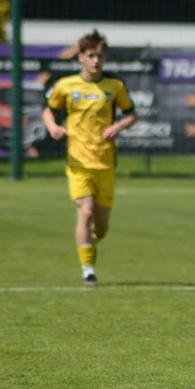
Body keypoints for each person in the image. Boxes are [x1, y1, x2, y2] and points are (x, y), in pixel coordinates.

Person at [42, 30, 138, 287]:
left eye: (100, 55)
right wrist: (52, 127)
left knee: (102, 227)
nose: (96, 60)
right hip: (78, 164)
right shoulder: (65, 86)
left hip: (105, 163)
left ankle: (88, 244)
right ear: (81, 58)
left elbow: (131, 114)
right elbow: (48, 112)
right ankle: (88, 271)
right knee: (85, 213)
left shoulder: (114, 86)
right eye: (91, 55)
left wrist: (118, 126)